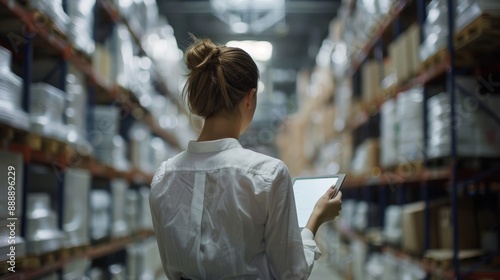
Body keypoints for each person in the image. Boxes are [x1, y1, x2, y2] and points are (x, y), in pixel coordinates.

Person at [149, 36, 342, 280]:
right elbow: (291, 273)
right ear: (250, 98)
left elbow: (171, 268)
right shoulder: (268, 174)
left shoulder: (164, 177)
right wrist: (316, 218)